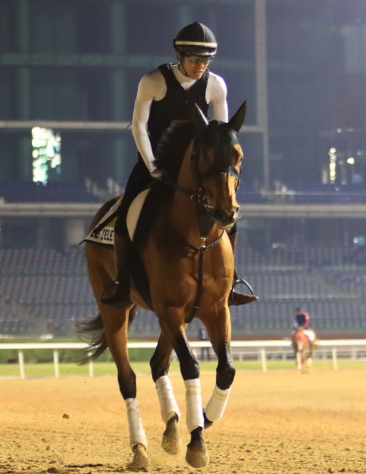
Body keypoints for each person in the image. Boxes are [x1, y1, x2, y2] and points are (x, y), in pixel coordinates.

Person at [100, 21, 257, 308]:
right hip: (155, 162)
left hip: (196, 166)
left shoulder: (216, 85)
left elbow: (220, 131)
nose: (200, 65)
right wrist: (151, 167)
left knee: (227, 211)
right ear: (180, 56)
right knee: (126, 213)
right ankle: (123, 283)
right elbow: (138, 126)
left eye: (206, 60)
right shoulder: (153, 81)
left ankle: (230, 279)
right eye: (195, 59)